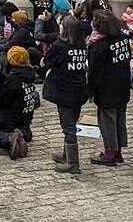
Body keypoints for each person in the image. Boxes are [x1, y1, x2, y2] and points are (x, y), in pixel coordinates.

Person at [43, 16, 88, 174]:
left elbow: (47, 61)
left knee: (68, 126)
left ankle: (73, 162)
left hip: (64, 91)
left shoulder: (59, 46)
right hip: (79, 90)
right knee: (71, 122)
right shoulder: (81, 45)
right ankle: (66, 154)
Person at [86, 10, 132, 165]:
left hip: (107, 88)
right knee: (120, 118)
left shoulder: (99, 45)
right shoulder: (123, 39)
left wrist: (91, 91)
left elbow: (95, 72)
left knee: (107, 121)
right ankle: (118, 150)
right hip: (122, 84)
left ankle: (110, 153)